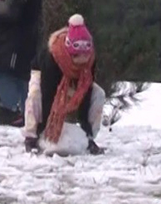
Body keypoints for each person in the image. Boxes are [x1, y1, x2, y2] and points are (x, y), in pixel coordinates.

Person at [23, 14, 103, 155]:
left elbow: (87, 89)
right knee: (35, 94)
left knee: (99, 94)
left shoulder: (89, 61)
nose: (83, 60)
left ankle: (89, 138)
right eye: (78, 57)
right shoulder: (52, 56)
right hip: (43, 73)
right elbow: (48, 93)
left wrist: (84, 125)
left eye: (86, 56)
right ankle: (31, 135)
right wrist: (46, 128)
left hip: (74, 78)